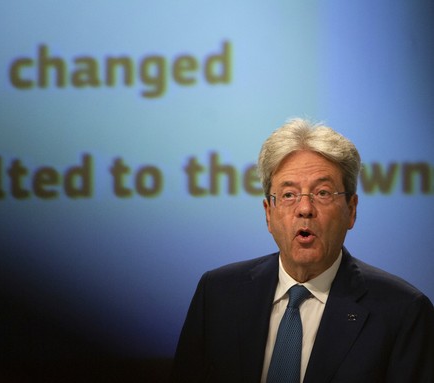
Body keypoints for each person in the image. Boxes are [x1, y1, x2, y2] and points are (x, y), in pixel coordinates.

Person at [171, 118, 434, 382]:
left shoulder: (403, 311)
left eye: (322, 193)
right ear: (268, 214)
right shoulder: (217, 294)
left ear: (351, 211)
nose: (305, 208)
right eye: (288, 195)